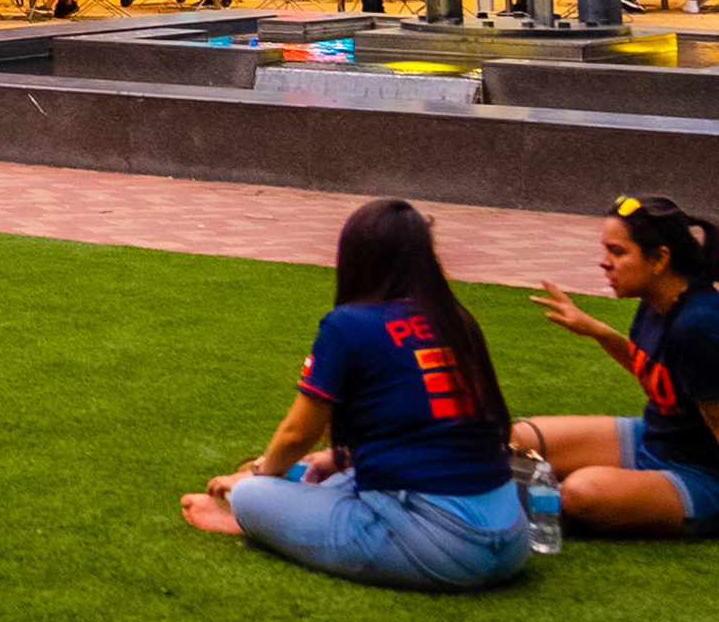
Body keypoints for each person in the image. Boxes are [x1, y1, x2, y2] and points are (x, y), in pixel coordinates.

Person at [177, 198, 531, 592]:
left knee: (252, 496)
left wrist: (252, 477)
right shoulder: (456, 318)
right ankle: (279, 512)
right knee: (325, 475)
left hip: (444, 549)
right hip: (513, 539)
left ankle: (250, 520)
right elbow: (438, 427)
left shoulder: (347, 325)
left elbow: (296, 433)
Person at [518, 194, 719, 566]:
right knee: (521, 438)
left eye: (617, 252)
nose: (604, 262)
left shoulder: (700, 329)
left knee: (580, 493)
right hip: (658, 440)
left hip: (712, 482)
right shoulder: (656, 300)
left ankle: (494, 509)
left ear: (659, 259)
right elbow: (659, 375)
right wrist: (600, 333)